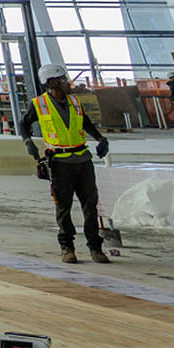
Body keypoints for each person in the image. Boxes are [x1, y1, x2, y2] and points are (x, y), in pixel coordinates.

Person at [20, 73, 112, 263]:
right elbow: (24, 124)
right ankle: (67, 247)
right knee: (63, 207)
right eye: (63, 81)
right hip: (59, 162)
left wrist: (101, 139)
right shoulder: (39, 104)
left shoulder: (74, 102)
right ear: (51, 83)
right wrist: (28, 142)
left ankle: (95, 248)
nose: (68, 84)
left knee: (90, 206)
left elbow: (85, 123)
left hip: (82, 159)